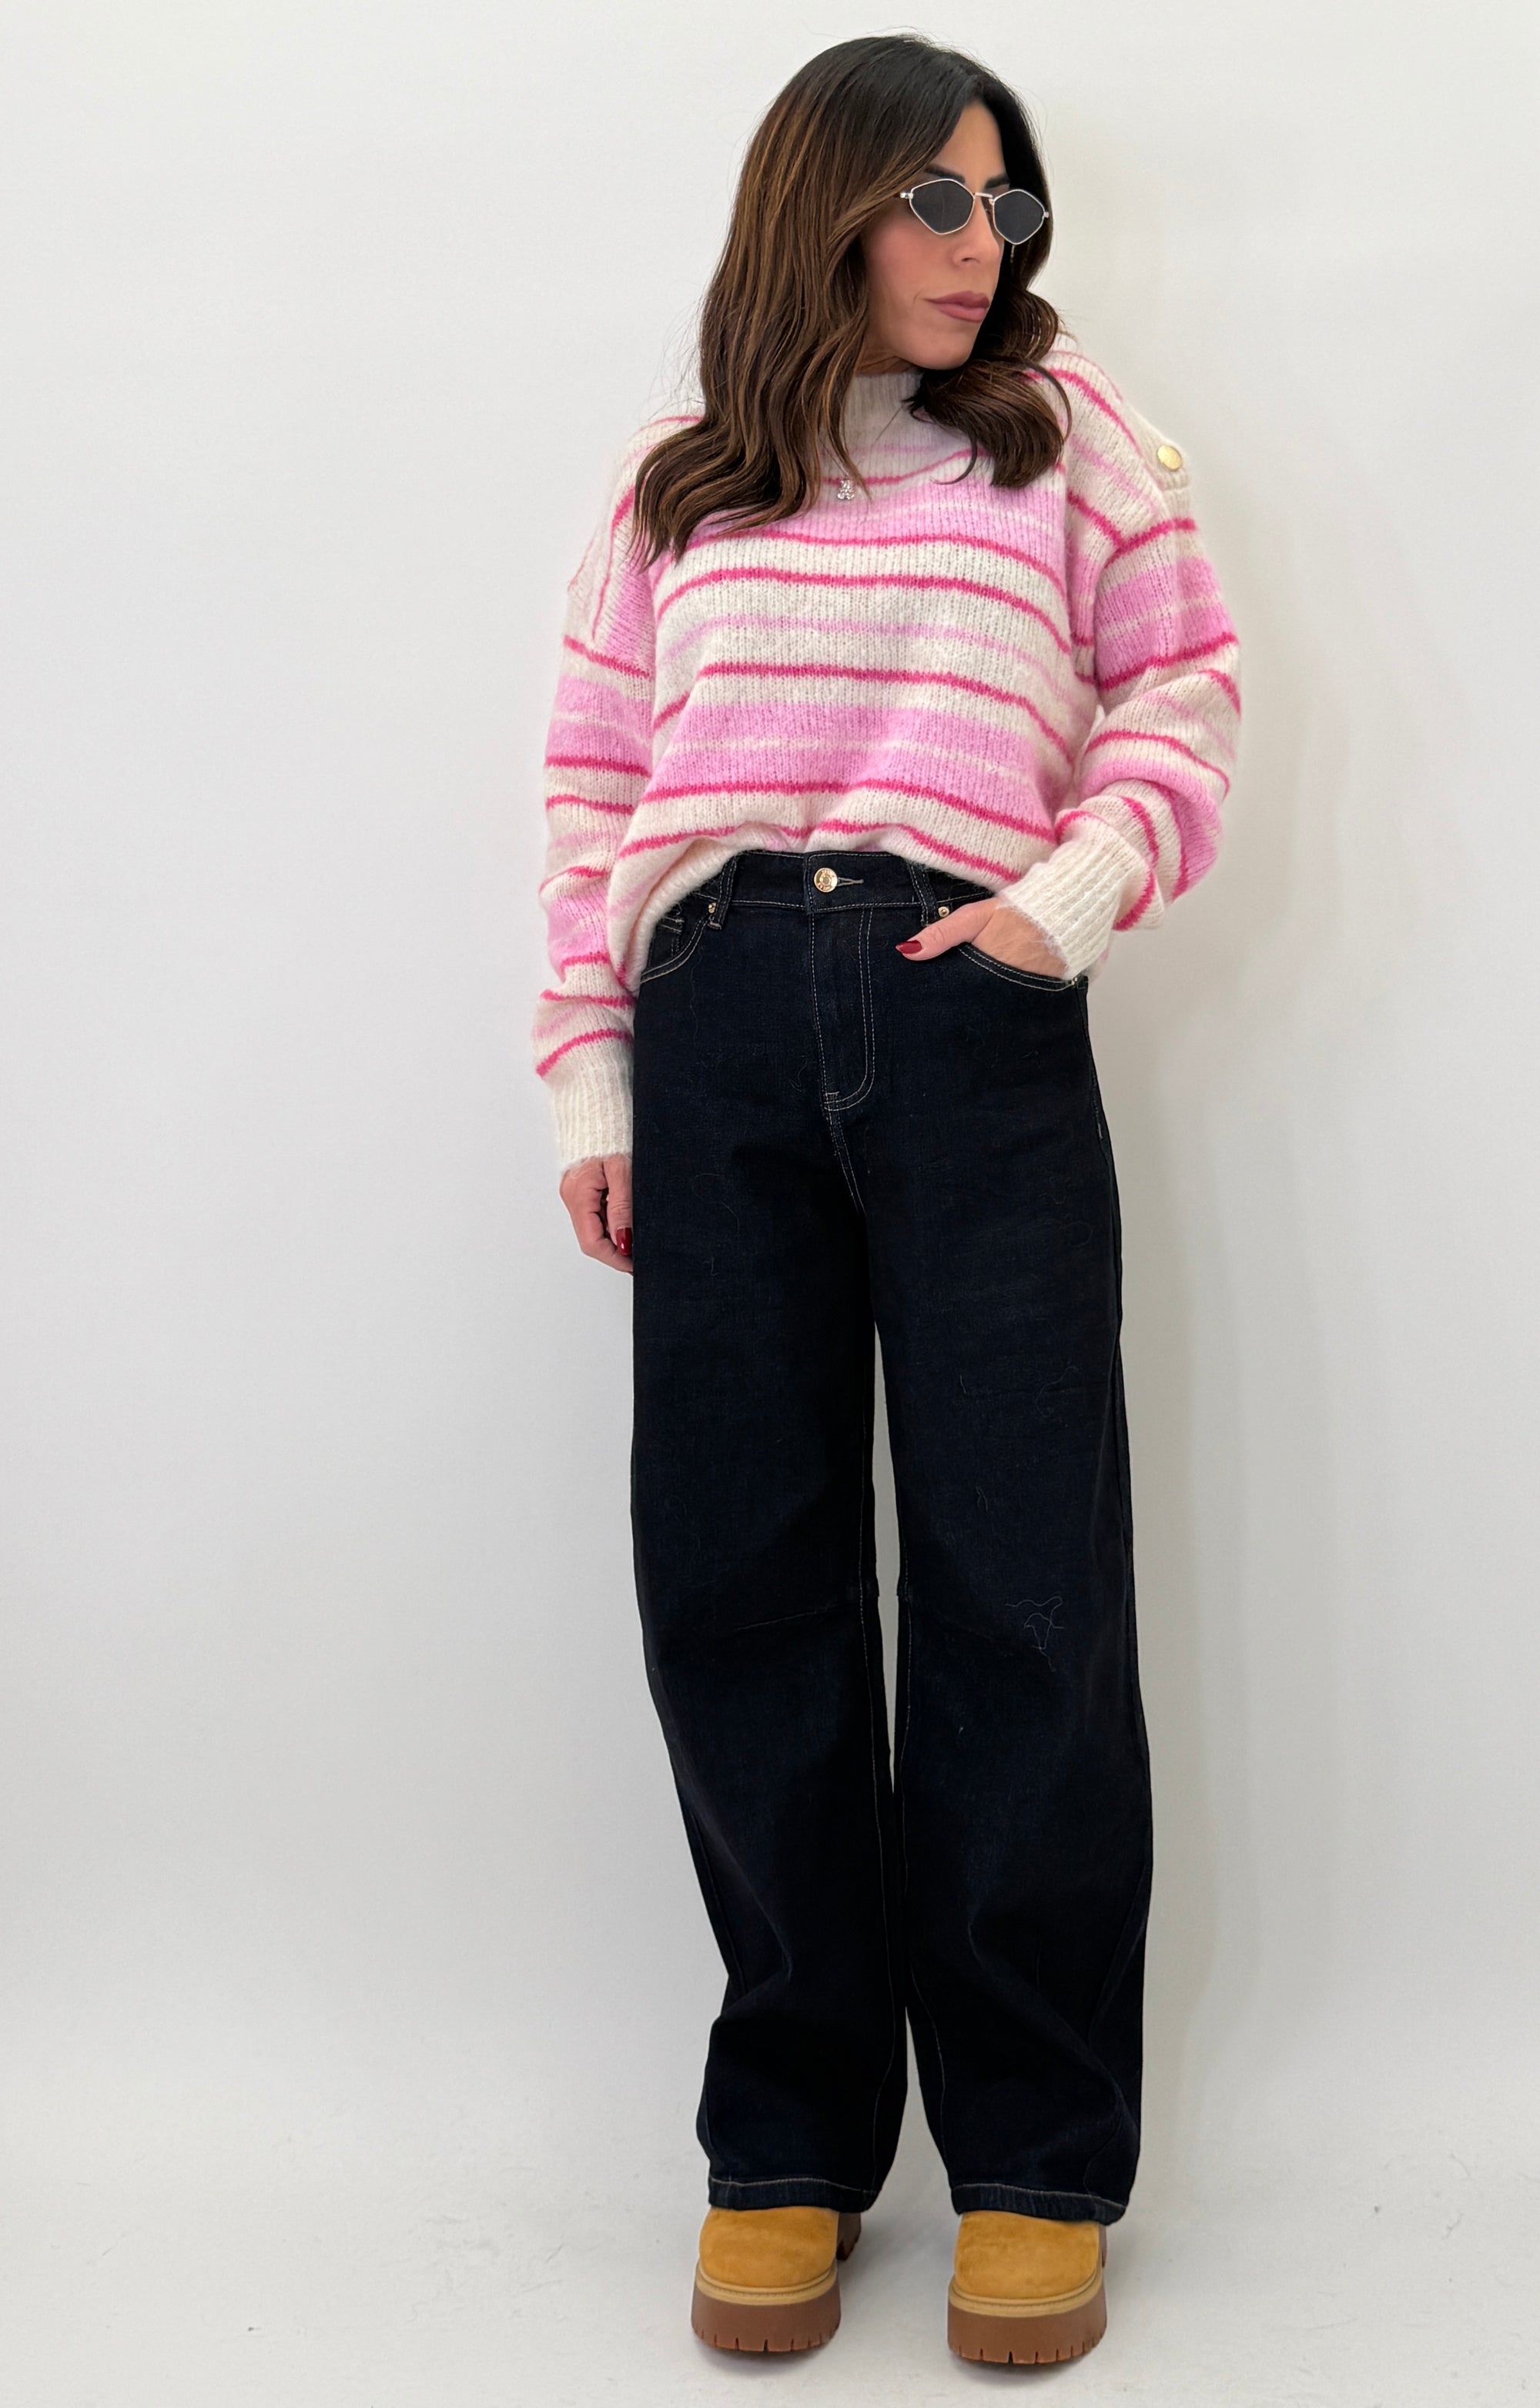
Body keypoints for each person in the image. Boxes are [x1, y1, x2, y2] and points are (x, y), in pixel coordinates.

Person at [531, 32, 1239, 2367]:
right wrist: (590, 1077)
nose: (981, 243)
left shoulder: (1067, 434)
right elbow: (591, 787)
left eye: (1006, 206)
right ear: (817, 200)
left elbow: (1185, 690)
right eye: (937, 197)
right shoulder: (677, 478)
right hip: (719, 1024)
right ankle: (788, 2142)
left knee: (1025, 1591)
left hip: (973, 1017)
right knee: (742, 1590)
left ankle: (1033, 2155)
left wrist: (1069, 900)